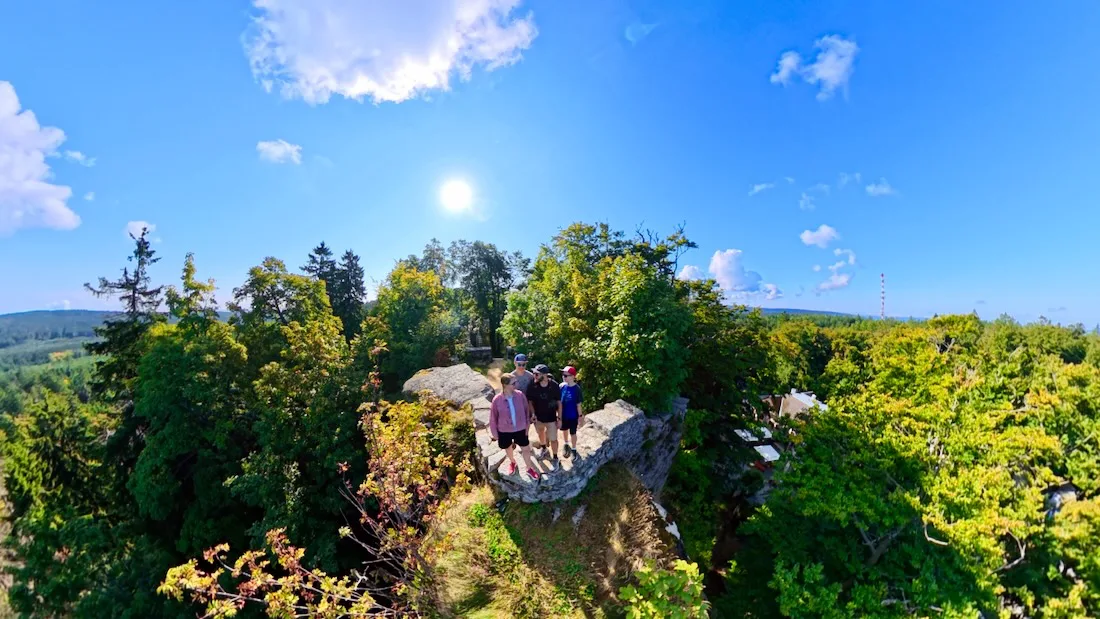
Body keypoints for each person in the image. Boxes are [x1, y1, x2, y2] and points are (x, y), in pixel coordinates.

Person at [489, 373, 540, 480]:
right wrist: (495, 434)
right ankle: (512, 462)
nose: (516, 384)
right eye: (513, 383)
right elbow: (493, 418)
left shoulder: (520, 395)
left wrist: (527, 427)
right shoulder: (497, 400)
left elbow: (526, 412)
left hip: (520, 429)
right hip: (504, 430)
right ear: (505, 385)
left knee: (526, 449)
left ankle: (529, 468)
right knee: (508, 448)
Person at [526, 364, 562, 466]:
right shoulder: (532, 385)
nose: (534, 376)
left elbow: (559, 403)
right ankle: (544, 448)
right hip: (538, 418)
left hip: (551, 418)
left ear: (544, 375)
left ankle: (555, 457)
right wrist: (533, 413)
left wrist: (559, 419)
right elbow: (530, 401)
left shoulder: (554, 385)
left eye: (537, 374)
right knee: (540, 433)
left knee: (553, 439)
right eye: (534, 373)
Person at [559, 365, 584, 459]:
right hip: (563, 415)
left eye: (566, 375)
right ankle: (566, 444)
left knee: (573, 433)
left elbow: (578, 404)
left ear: (573, 376)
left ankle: (573, 449)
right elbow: (559, 402)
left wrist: (580, 416)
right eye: (563, 375)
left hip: (573, 416)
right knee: (564, 430)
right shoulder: (561, 386)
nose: (563, 377)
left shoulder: (577, 389)